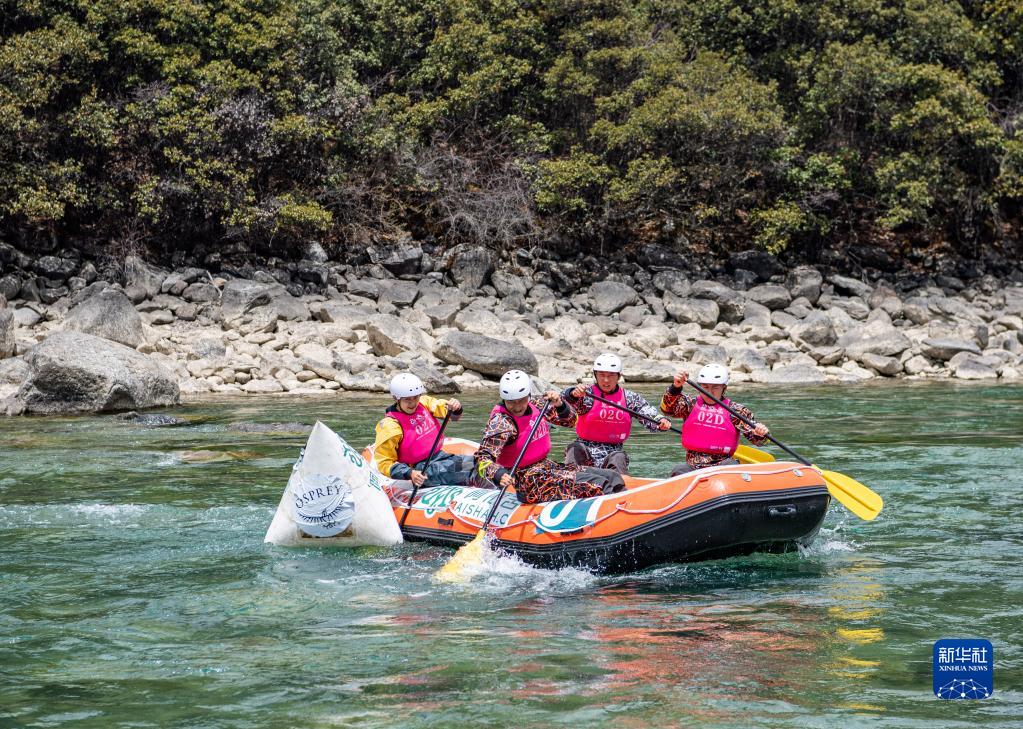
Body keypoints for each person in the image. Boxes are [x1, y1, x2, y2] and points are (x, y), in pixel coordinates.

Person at [474, 369, 625, 504]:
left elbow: (571, 421)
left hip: (547, 468)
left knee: (612, 477)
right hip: (527, 482)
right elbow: (481, 459)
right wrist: (498, 474)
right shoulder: (501, 423)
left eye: (521, 400)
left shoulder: (537, 404)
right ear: (504, 399)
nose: (518, 406)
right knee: (600, 484)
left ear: (528, 395)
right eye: (511, 402)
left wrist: (560, 405)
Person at [562, 353, 671, 474]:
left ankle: (619, 484)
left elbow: (646, 411)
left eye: (611, 375)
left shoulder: (629, 398)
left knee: (619, 457)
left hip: (613, 452)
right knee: (574, 448)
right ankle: (569, 479)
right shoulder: (585, 394)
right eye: (602, 375)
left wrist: (660, 421)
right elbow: (563, 402)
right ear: (595, 375)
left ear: (618, 376)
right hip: (584, 449)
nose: (606, 380)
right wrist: (572, 394)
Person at [660, 363, 769, 476]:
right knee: (678, 469)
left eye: (715, 388)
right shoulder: (690, 404)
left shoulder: (736, 411)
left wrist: (760, 433)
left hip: (723, 465)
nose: (709, 392)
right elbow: (667, 410)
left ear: (724, 388)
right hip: (692, 466)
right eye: (705, 387)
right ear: (699, 387)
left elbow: (760, 441)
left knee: (731, 466)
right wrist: (676, 387)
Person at [372, 372, 473, 487]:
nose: (413, 403)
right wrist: (410, 473)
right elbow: (384, 463)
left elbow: (453, 415)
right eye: (407, 399)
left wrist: (455, 407)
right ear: (396, 398)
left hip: (440, 456)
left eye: (415, 397)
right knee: (465, 471)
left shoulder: (424, 403)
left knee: (476, 462)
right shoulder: (389, 426)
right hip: (419, 470)